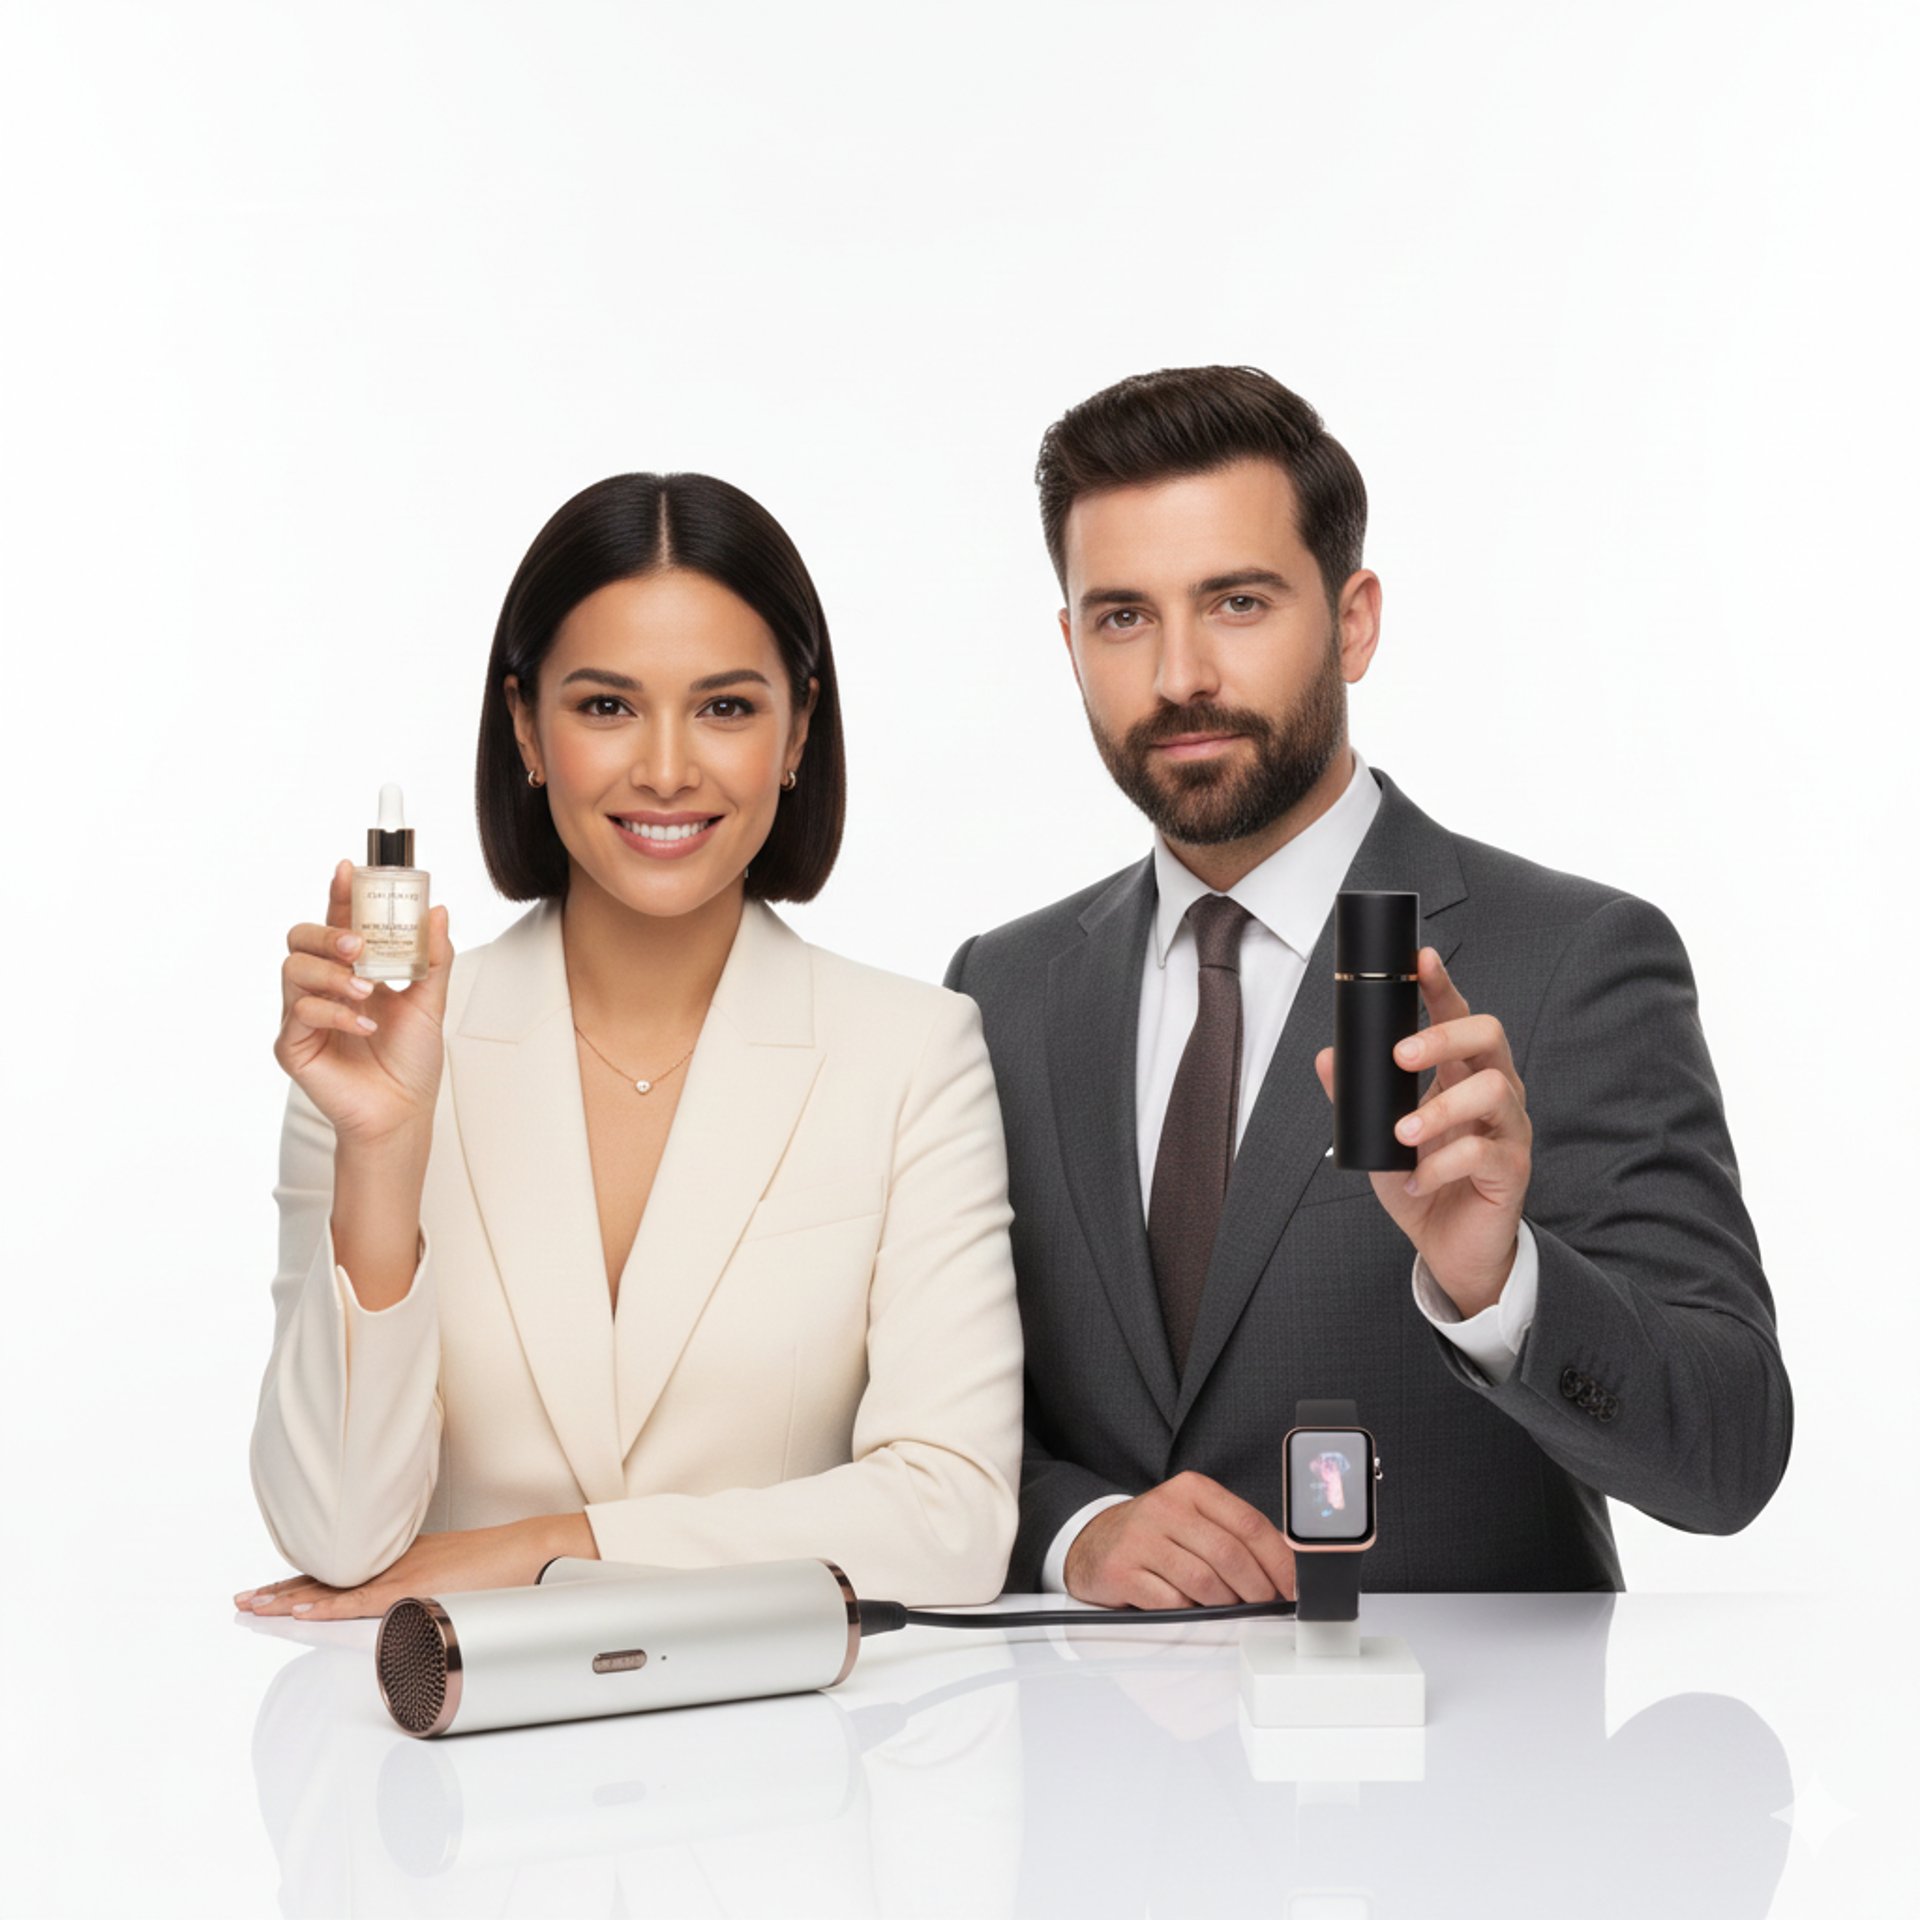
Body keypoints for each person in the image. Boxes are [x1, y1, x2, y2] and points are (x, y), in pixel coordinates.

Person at [946, 366, 1791, 1606]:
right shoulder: (1003, 990)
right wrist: (1080, 1530)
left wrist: (1501, 1284)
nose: (1180, 674)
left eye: (1237, 601)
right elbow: (944, 1422)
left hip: (1460, 1777)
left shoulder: (1573, 960)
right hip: (1084, 1780)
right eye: (1124, 616)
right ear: (1071, 645)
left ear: (1353, 622)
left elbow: (1729, 1455)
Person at [239, 472, 1023, 1621]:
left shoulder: (914, 1055)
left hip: (791, 1759)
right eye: (607, 706)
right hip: (450, 1762)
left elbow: (949, 1523)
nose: (665, 768)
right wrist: (384, 1153)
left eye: (726, 707)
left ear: (798, 729)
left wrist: (550, 1549)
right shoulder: (373, 1060)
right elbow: (340, 1540)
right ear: (527, 728)